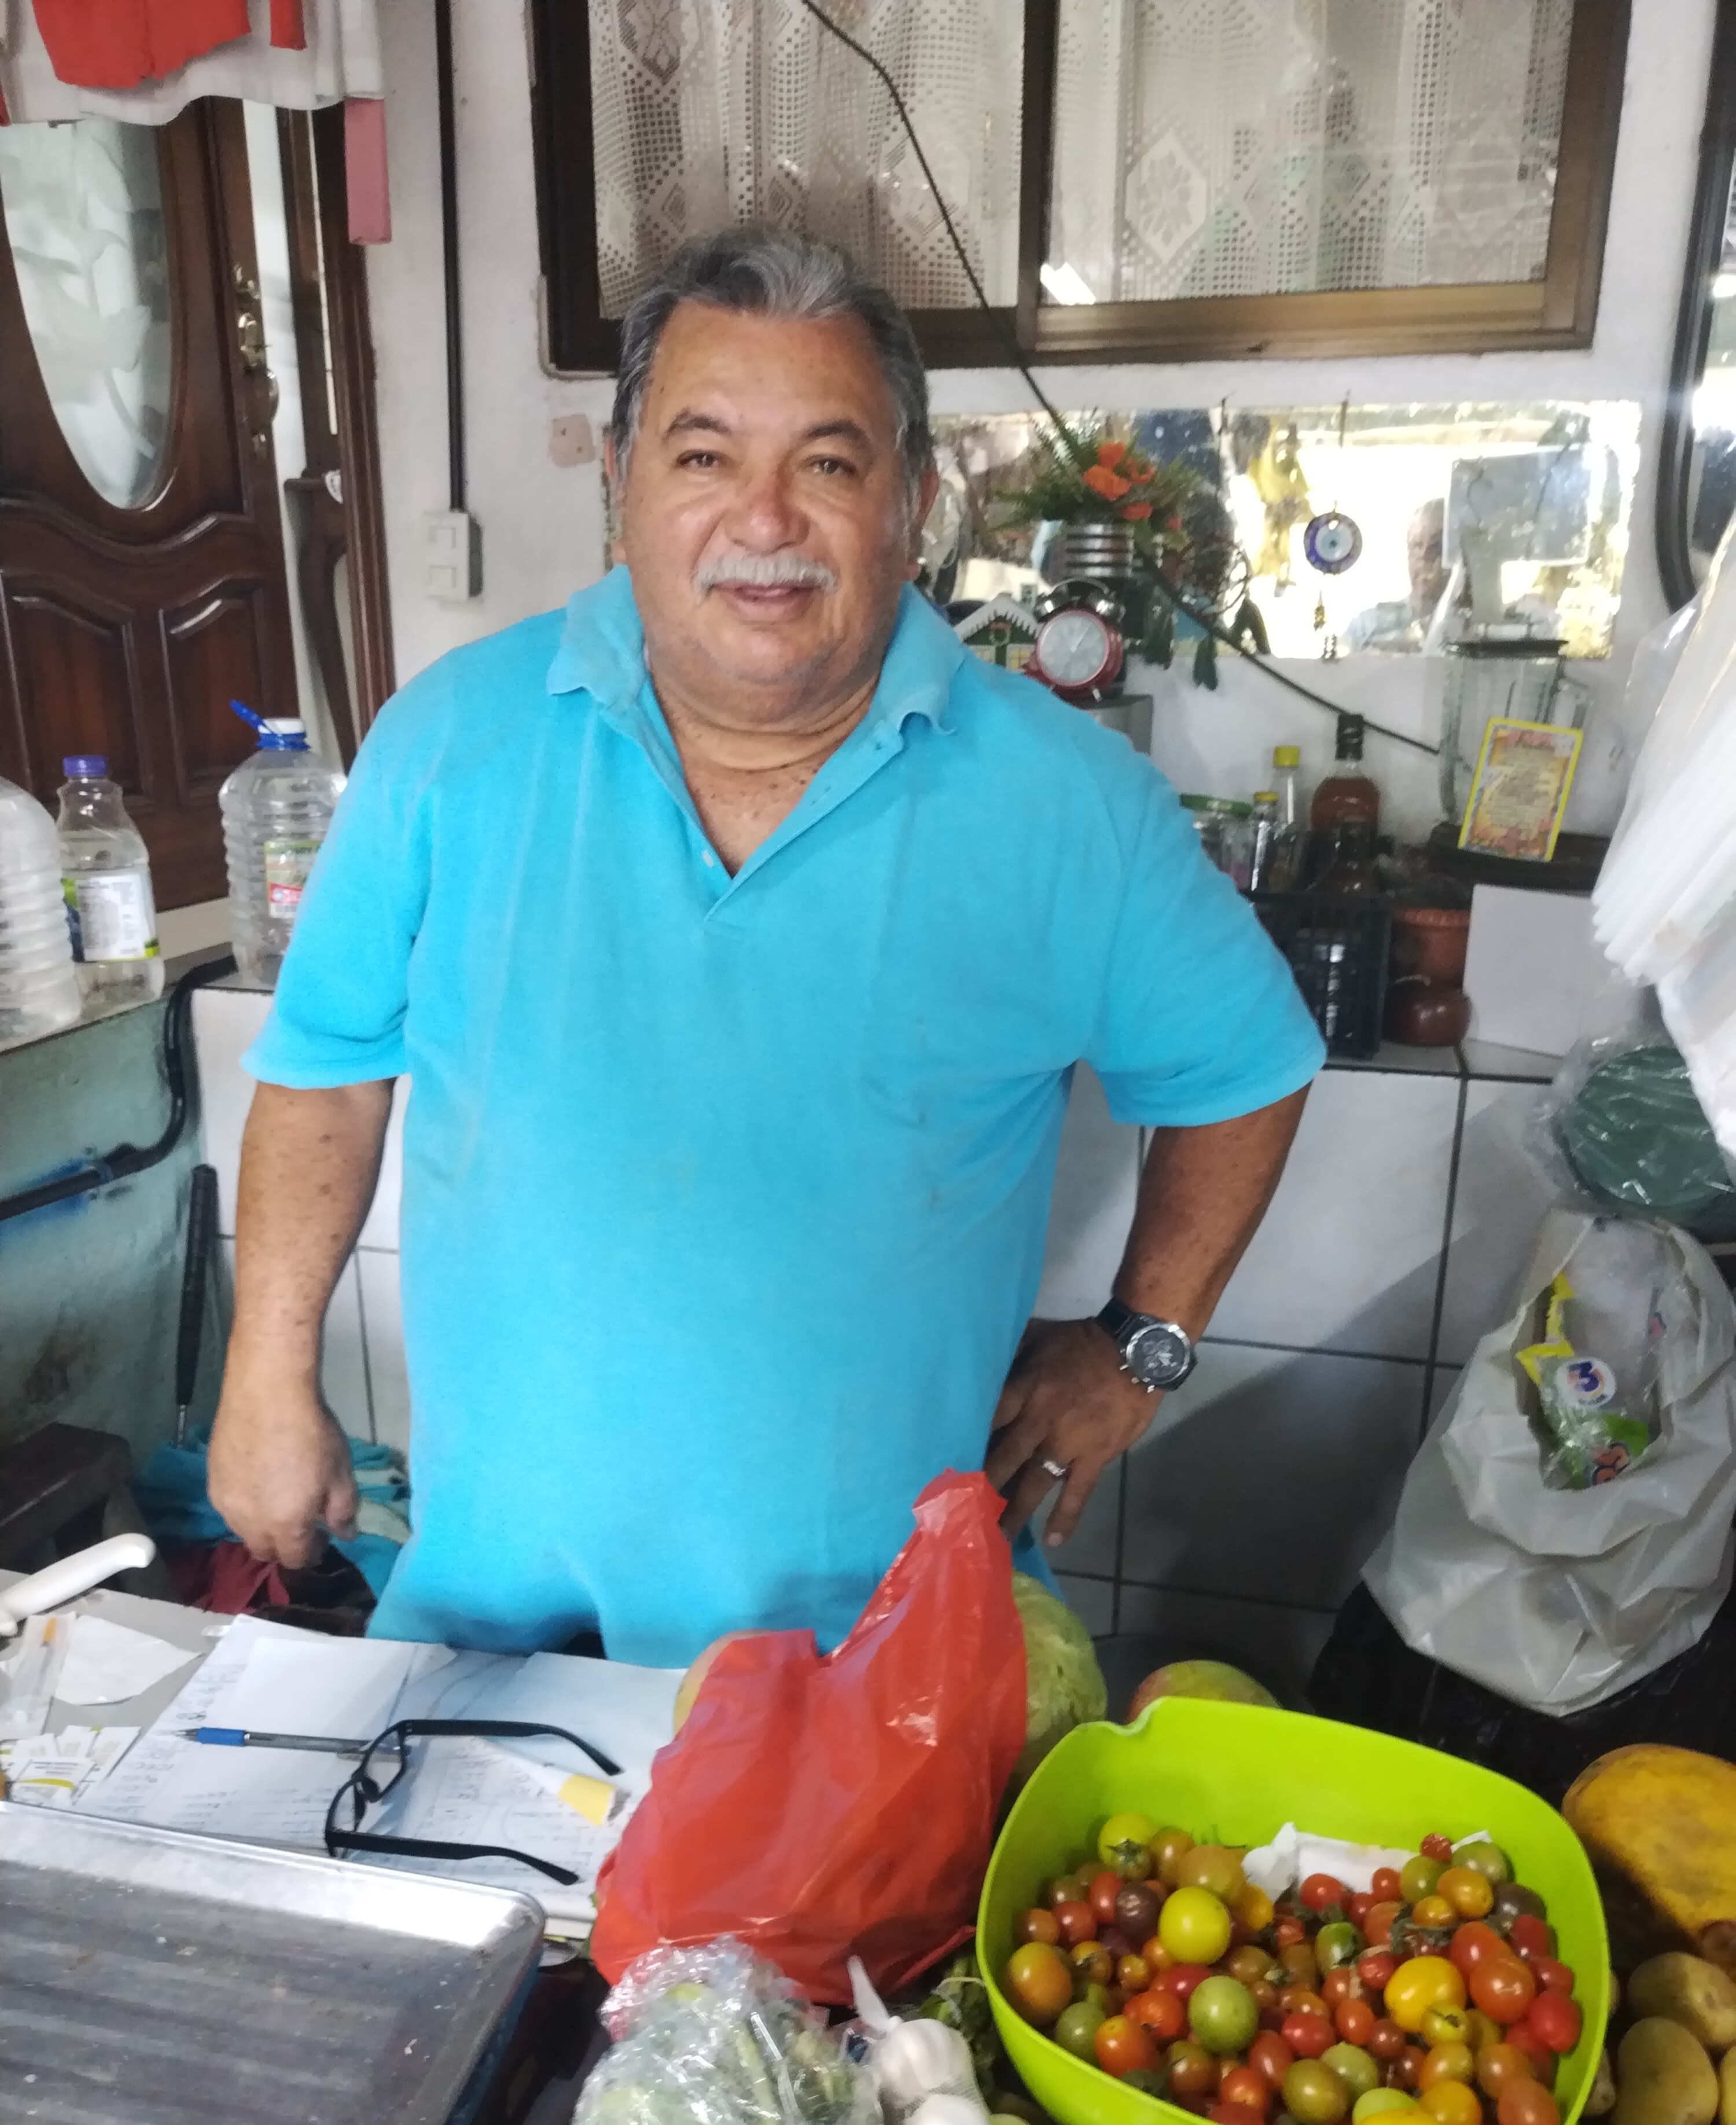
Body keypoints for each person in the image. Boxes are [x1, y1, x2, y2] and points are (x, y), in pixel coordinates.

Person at [207, 226, 1323, 1667]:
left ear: (910, 504)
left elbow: (1244, 1067)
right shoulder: (448, 742)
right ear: (619, 487)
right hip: (496, 1628)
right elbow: (326, 1074)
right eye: (702, 455)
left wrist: (1138, 1346)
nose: (765, 518)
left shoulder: (1070, 800)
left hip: (875, 1661)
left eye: (829, 461)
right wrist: (264, 1367)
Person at [1342, 498, 1449, 653]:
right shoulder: (1367, 628)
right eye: (1417, 545)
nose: (1424, 555)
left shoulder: (1478, 632)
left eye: (1437, 545)